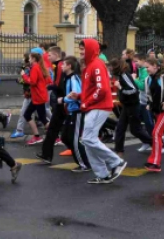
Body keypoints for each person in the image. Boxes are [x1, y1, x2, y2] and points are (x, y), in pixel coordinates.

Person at [73, 39, 126, 184]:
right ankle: (102, 174)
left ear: (91, 49)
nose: (81, 52)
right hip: (93, 106)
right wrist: (79, 96)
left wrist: (86, 102)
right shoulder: (90, 66)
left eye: (83, 49)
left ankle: (116, 162)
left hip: (99, 106)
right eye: (80, 49)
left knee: (88, 139)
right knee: (88, 140)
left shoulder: (96, 65)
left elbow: (102, 89)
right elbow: (91, 89)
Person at [111, 58, 152, 158]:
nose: (110, 69)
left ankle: (156, 144)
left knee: (135, 129)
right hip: (127, 105)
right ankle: (119, 152)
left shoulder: (124, 75)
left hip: (132, 105)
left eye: (111, 66)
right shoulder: (122, 75)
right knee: (120, 128)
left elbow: (134, 90)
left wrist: (120, 87)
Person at [60, 56, 90, 172]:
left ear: (69, 66)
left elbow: (76, 95)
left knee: (74, 139)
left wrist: (63, 100)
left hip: (77, 112)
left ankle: (85, 164)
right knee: (65, 137)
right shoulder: (68, 78)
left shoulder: (73, 78)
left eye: (64, 64)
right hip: (71, 111)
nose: (62, 66)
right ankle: (83, 158)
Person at [37, 47, 66, 164]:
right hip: (61, 101)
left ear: (55, 55)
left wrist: (48, 86)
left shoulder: (59, 66)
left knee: (54, 129)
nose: (47, 57)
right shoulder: (58, 65)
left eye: (49, 55)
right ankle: (46, 154)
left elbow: (59, 84)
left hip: (62, 102)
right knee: (53, 129)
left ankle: (47, 155)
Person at [22, 51, 52, 146]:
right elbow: (48, 81)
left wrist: (24, 75)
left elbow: (33, 82)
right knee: (35, 116)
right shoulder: (41, 67)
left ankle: (53, 136)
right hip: (40, 96)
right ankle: (38, 136)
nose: (29, 59)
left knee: (39, 117)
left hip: (38, 97)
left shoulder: (35, 68)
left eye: (30, 58)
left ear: (34, 59)